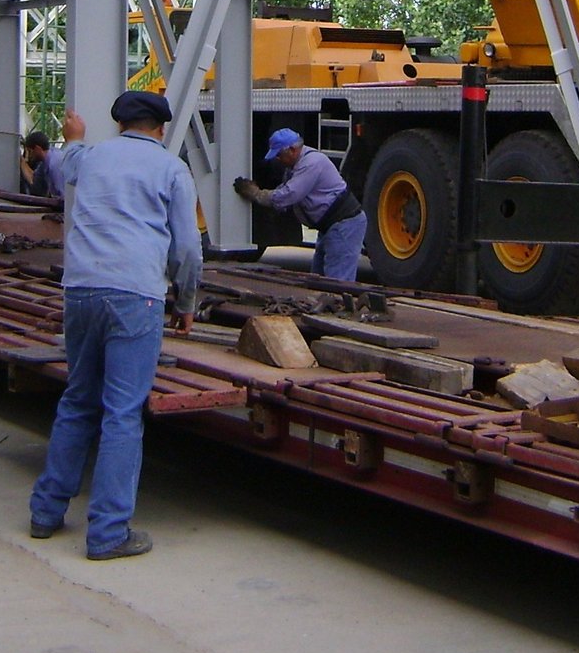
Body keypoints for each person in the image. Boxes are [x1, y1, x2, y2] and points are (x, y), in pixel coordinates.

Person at [29, 90, 202, 561]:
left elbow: (66, 165)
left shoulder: (94, 158)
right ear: (161, 129)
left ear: (121, 123)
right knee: (122, 413)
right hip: (135, 294)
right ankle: (107, 533)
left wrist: (74, 137)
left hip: (81, 290)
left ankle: (46, 513)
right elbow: (186, 248)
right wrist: (185, 299)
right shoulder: (170, 169)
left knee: (78, 399)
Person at [233, 129, 366, 281]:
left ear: (292, 150)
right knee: (318, 279)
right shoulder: (295, 167)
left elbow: (288, 195)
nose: (277, 159)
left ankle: (340, 303)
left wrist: (256, 194)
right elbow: (284, 192)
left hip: (343, 225)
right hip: (331, 226)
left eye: (279, 155)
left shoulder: (311, 163)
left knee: (337, 283)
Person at [21, 129, 66, 200]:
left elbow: (62, 196)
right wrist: (22, 161)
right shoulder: (44, 162)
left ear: (37, 148)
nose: (29, 155)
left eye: (30, 151)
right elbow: (33, 179)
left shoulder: (54, 164)